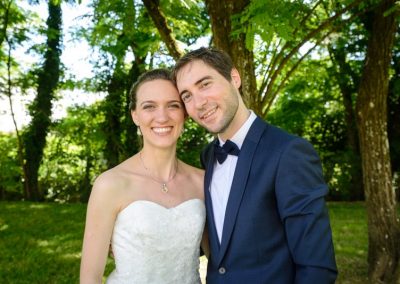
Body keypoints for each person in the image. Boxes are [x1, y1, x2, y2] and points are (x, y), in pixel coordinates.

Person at [172, 47, 337, 283]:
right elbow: (223, 237)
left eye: (205, 84)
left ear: (234, 78)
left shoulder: (288, 152)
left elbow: (317, 267)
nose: (198, 103)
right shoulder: (207, 156)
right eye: (187, 95)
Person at [80, 69, 207, 284]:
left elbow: (219, 260)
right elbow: (90, 277)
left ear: (184, 113)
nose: (162, 117)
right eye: (149, 106)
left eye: (173, 105)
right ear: (135, 115)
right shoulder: (111, 184)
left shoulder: (203, 181)